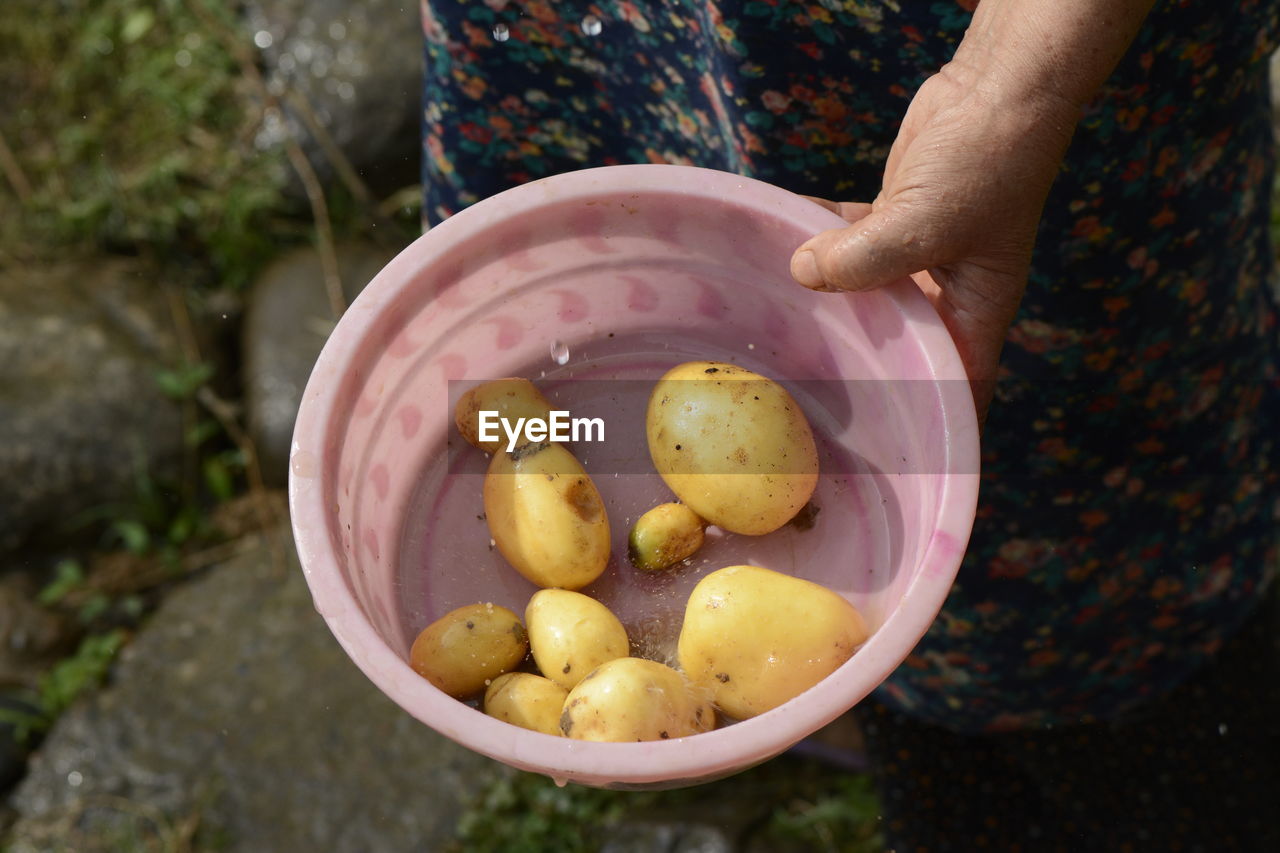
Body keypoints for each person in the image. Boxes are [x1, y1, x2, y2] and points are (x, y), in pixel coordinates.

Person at [420, 0, 1280, 848]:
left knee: (1081, 549)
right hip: (629, 47)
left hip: (1015, 62)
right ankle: (911, 738)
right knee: (902, 695)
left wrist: (1003, 90)